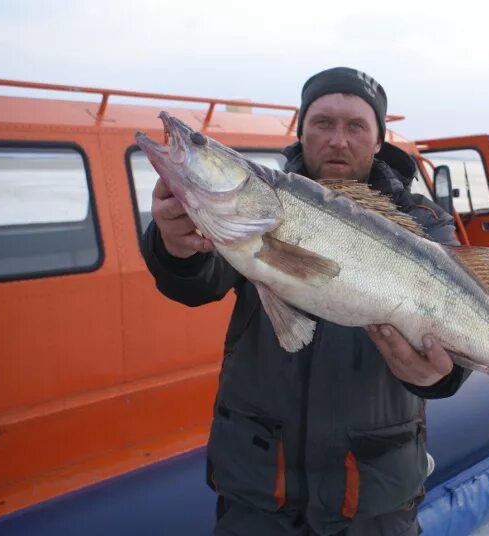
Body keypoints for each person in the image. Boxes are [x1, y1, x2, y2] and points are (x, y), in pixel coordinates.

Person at [141, 67, 469, 536]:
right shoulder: (257, 205)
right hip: (259, 489)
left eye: (356, 126)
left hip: (374, 497)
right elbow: (197, 283)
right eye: (322, 123)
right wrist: (175, 247)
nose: (338, 140)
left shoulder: (423, 224)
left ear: (378, 140)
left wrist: (444, 375)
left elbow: (460, 332)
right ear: (301, 130)